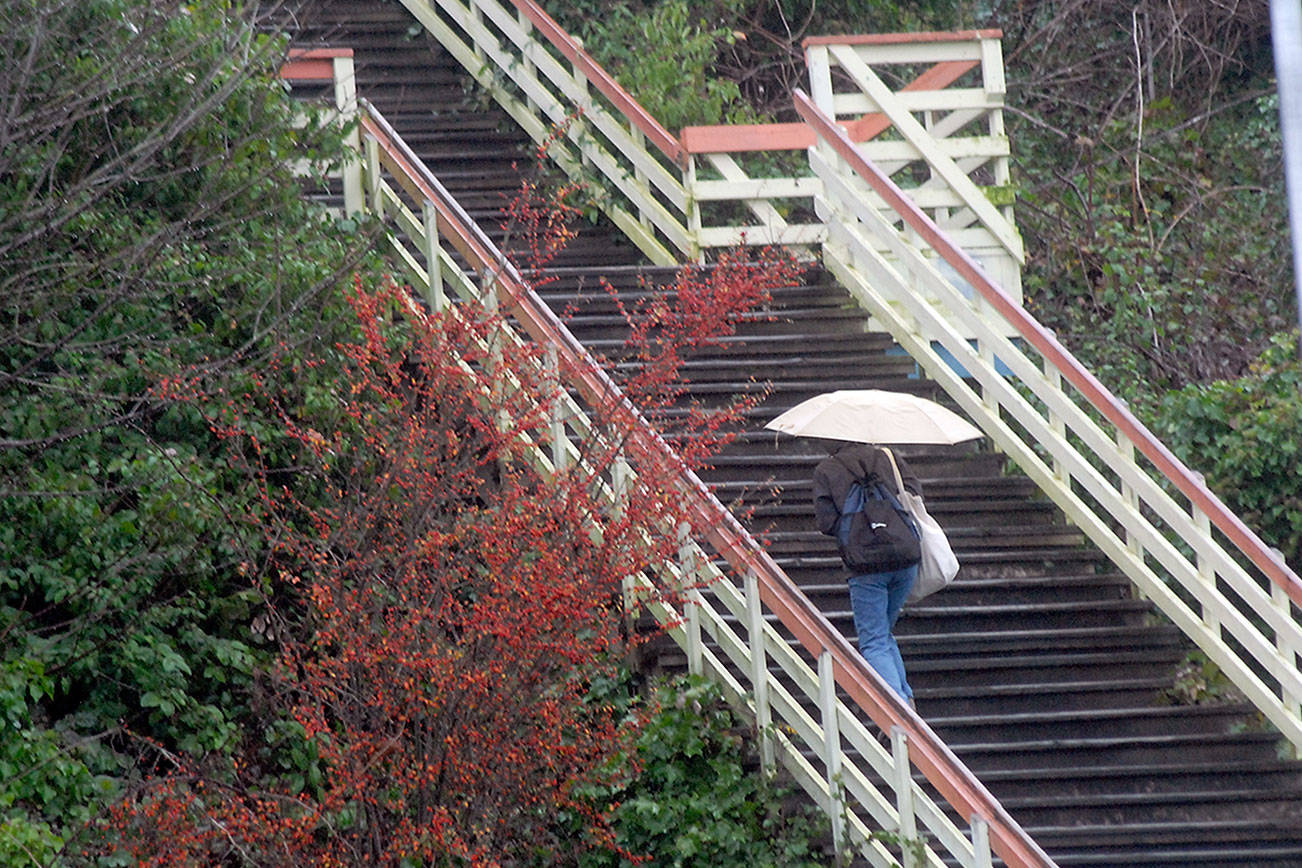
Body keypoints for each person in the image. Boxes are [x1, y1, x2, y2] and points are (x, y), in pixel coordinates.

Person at [812, 441, 923, 707]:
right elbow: (915, 494)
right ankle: (905, 697)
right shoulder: (889, 455)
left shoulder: (827, 469)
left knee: (873, 641)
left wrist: (856, 529)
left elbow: (826, 522)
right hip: (905, 557)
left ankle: (899, 714)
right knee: (882, 632)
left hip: (865, 567)